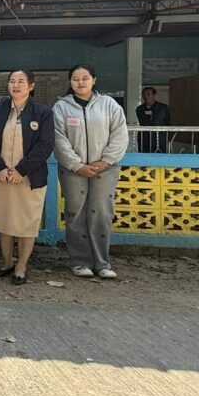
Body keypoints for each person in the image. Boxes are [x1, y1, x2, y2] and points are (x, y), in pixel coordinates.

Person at [53, 64, 129, 279]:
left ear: (94, 80)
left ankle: (103, 263)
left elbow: (120, 135)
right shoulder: (61, 107)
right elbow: (58, 138)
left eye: (85, 78)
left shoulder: (109, 105)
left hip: (105, 169)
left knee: (101, 213)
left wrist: (105, 161)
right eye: (75, 79)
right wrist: (77, 165)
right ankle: (79, 262)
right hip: (73, 170)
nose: (80, 82)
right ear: (70, 82)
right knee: (75, 214)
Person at [0, 70, 55, 286]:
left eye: (21, 82)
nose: (15, 85)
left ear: (31, 86)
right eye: (12, 81)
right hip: (1, 177)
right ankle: (7, 262)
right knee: (4, 220)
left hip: (28, 178)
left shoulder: (43, 112)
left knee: (26, 223)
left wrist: (21, 170)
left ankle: (21, 266)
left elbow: (45, 146)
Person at [136, 86, 170, 153]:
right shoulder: (139, 109)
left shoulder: (163, 108)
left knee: (159, 156)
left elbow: (168, 122)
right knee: (144, 156)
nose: (146, 97)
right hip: (144, 138)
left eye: (148, 94)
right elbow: (142, 121)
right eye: (144, 95)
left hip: (159, 139)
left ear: (154, 95)